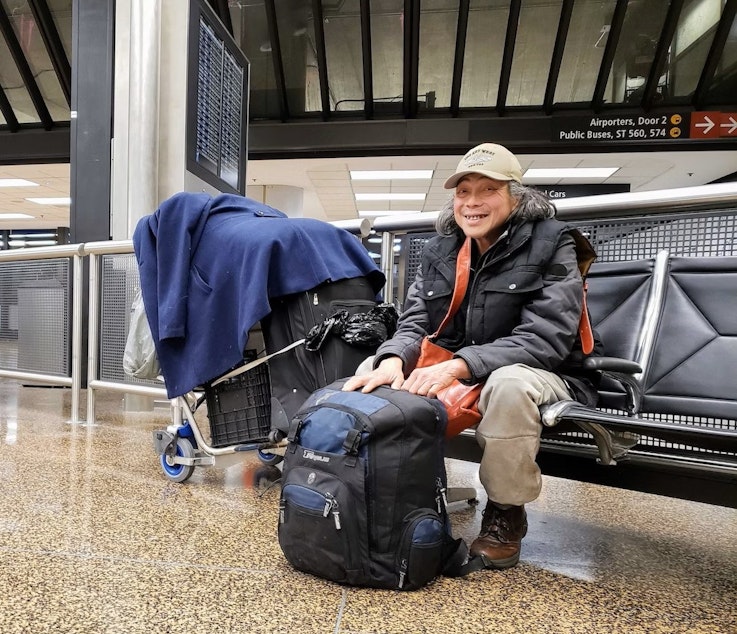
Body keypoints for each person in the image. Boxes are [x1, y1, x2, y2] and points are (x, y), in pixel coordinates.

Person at [343, 142, 601, 570]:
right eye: (463, 192)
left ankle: (505, 513)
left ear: (515, 196)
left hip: (546, 375)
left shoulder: (555, 244)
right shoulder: (441, 249)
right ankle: (393, 500)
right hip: (465, 372)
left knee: (508, 384)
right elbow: (416, 321)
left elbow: (546, 339)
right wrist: (392, 358)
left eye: (488, 190)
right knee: (373, 371)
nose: (473, 202)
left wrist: (459, 365)